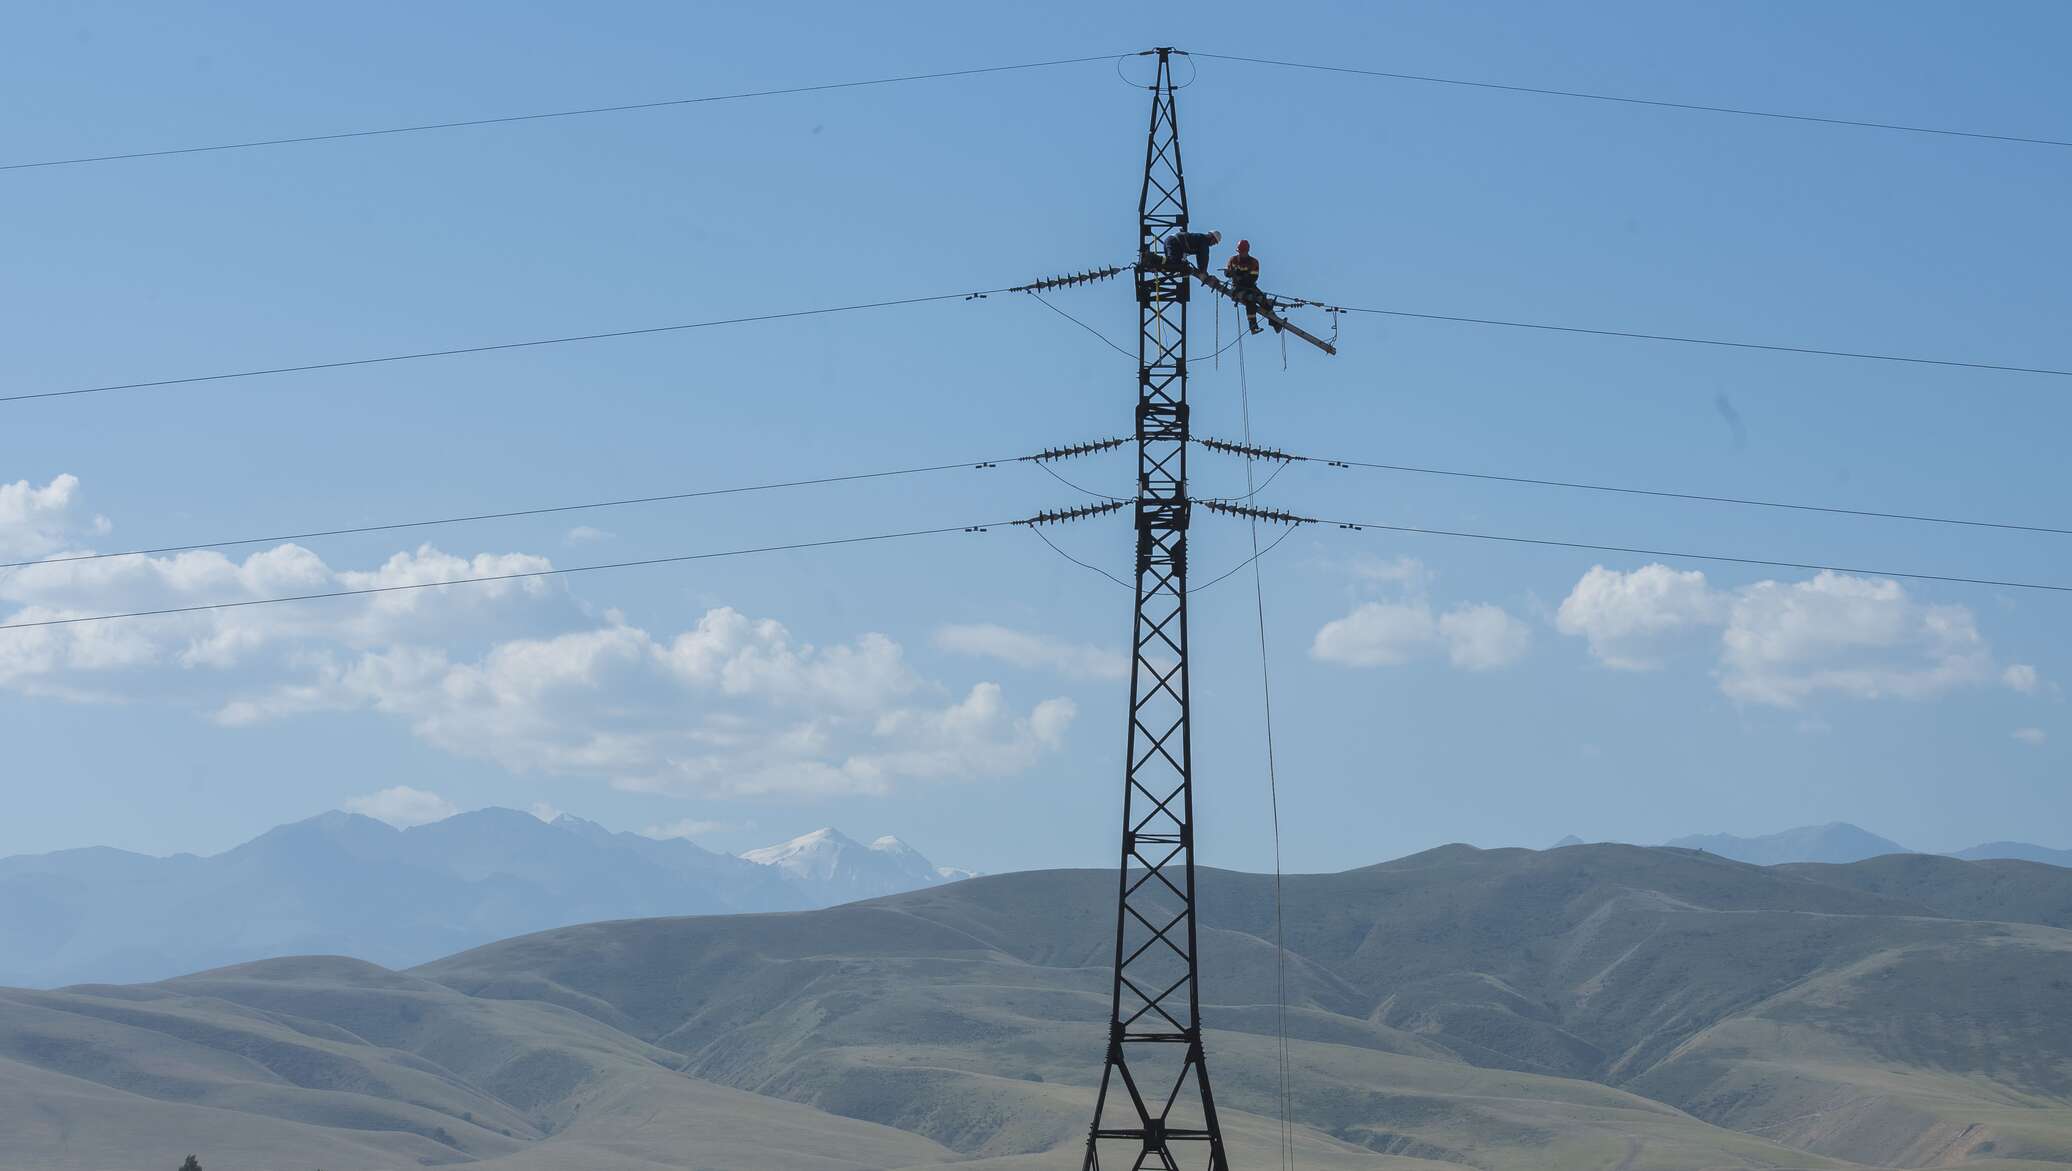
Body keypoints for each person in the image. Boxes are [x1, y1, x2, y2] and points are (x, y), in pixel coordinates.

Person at [1223, 239, 1272, 333]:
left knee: (1263, 300)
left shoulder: (1253, 262)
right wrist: (1229, 273)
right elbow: (1227, 273)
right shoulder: (1233, 260)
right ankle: (1253, 327)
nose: (1241, 254)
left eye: (1243, 252)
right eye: (1239, 252)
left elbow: (1253, 277)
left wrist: (1240, 276)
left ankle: (1275, 323)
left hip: (1250, 286)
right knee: (1250, 299)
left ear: (1247, 251)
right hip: (1237, 288)